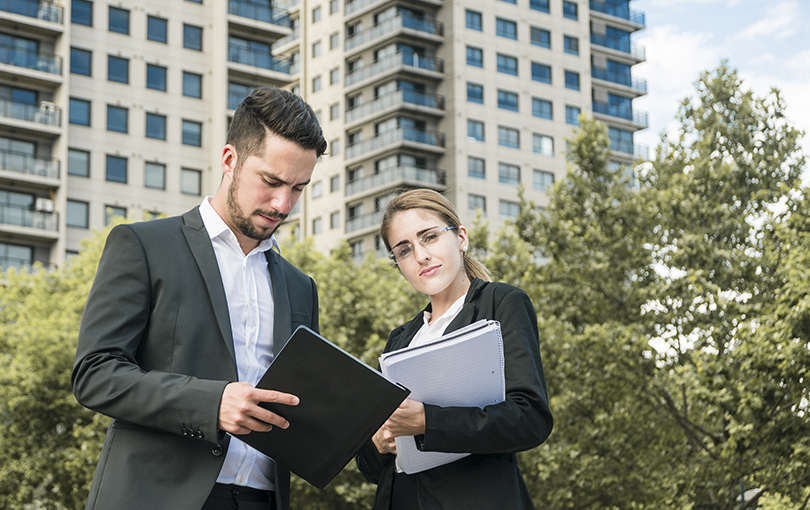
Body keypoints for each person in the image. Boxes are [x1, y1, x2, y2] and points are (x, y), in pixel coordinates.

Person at [72, 86, 327, 510]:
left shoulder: (302, 287)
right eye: (271, 181)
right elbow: (95, 374)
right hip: (156, 496)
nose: (283, 204)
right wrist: (212, 404)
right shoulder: (142, 245)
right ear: (230, 160)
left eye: (299, 188)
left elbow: (302, 404)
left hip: (264, 499)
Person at [356, 189, 553, 509]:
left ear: (460, 237)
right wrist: (378, 442)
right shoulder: (400, 339)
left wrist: (427, 422)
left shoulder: (500, 303)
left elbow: (530, 419)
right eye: (404, 250)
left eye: (429, 237)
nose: (420, 255)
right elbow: (369, 467)